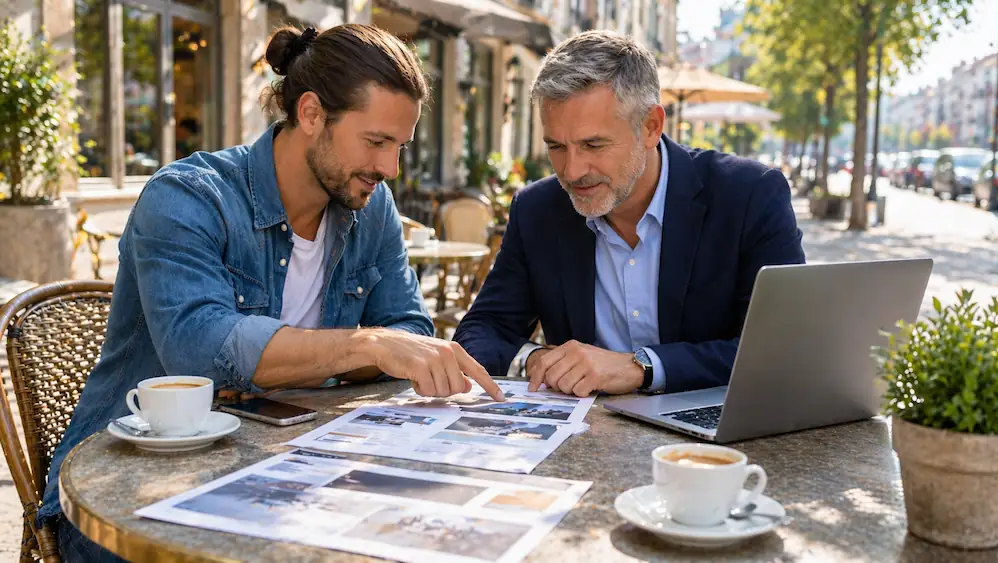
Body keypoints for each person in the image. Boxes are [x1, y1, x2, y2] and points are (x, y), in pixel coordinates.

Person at [43, 24, 503, 562]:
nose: (389, 168)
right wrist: (365, 347)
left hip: (286, 472)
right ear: (310, 114)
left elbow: (409, 331)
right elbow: (201, 350)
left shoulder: (369, 206)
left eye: (399, 146)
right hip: (123, 497)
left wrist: (380, 349)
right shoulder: (189, 198)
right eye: (376, 142)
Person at [453, 30, 805, 398]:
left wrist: (642, 367)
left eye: (593, 144)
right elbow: (482, 330)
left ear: (651, 126)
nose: (572, 171)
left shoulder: (749, 194)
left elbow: (783, 348)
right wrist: (536, 358)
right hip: (587, 438)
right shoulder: (537, 209)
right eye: (556, 146)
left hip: (715, 439)